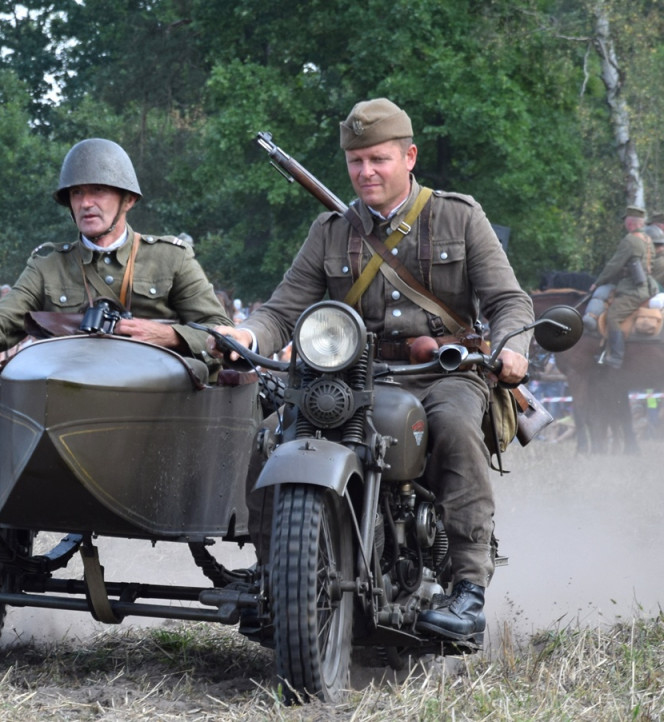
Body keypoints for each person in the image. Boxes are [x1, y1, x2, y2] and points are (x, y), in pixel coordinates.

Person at [212, 98, 533, 643]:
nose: (366, 172)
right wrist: (247, 335)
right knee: (269, 439)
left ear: (409, 157)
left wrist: (510, 347)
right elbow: (282, 310)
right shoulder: (331, 230)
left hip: (443, 371)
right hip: (349, 375)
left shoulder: (459, 215)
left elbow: (509, 300)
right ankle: (277, 579)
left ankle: (467, 589)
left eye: (378, 159)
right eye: (356, 161)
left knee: (455, 428)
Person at [0, 137, 231, 378]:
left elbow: (224, 333)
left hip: (163, 403)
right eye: (77, 193)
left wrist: (169, 337)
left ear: (128, 200)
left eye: (98, 190)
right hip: (71, 396)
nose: (85, 202)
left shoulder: (171, 259)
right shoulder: (48, 266)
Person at [588, 206, 655, 369]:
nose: (625, 224)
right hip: (646, 287)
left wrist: (598, 282)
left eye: (626, 220)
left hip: (632, 290)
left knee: (613, 316)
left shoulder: (630, 240)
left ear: (631, 223)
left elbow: (614, 265)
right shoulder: (647, 240)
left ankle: (616, 357)